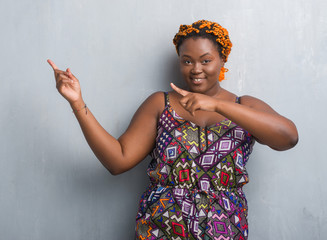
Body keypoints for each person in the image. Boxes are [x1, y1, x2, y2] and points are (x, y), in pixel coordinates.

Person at [47, 20, 298, 240]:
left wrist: (217, 105)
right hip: (160, 227)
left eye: (206, 60)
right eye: (187, 61)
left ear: (223, 59)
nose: (196, 69)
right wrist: (77, 102)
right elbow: (117, 161)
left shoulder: (244, 105)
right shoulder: (160, 104)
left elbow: (288, 137)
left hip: (226, 229)